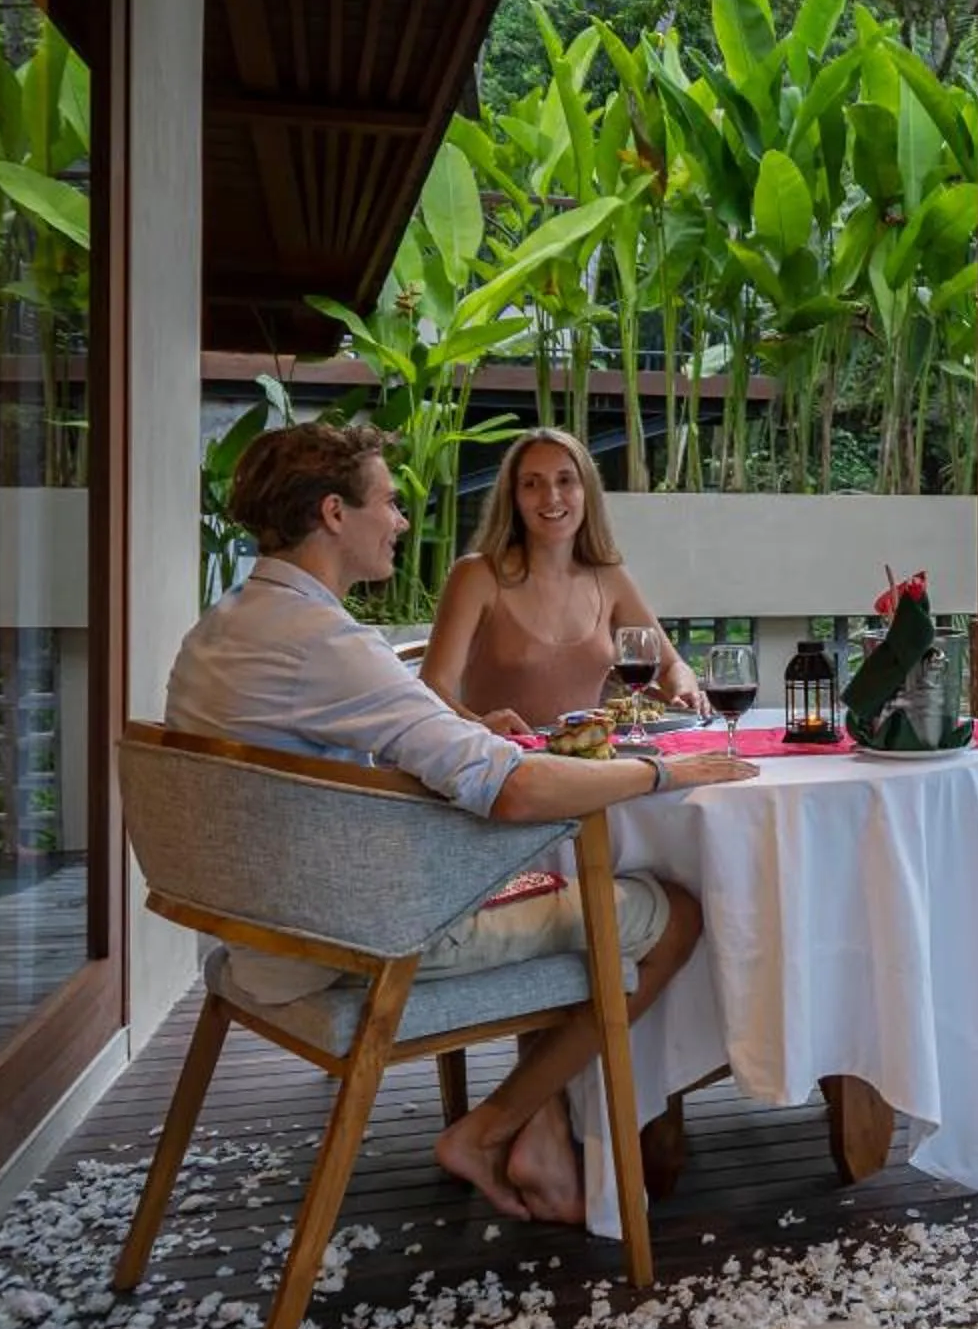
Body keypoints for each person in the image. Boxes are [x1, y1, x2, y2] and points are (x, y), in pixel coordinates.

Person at [166, 422, 753, 1225]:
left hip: (262, 934)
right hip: (362, 940)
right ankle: (495, 1126)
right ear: (336, 514)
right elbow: (506, 789)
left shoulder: (227, 624)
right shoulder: (326, 645)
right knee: (674, 913)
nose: (402, 521)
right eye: (390, 503)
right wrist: (663, 771)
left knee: (551, 870)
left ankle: (542, 1126)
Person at [419, 426, 705, 736]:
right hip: (504, 766)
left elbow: (671, 666)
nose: (551, 496)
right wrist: (480, 728)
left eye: (565, 481)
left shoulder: (610, 578)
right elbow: (432, 690)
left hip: (591, 764)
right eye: (531, 484)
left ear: (587, 491)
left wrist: (684, 689)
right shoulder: (476, 575)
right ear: (514, 498)